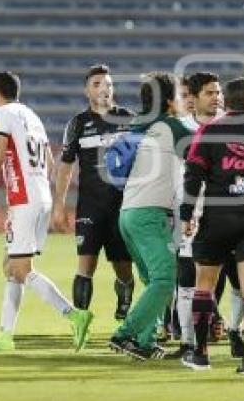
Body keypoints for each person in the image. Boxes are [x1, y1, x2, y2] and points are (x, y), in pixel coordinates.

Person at [0, 71, 92, 352]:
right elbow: (51, 161)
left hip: (24, 198)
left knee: (20, 268)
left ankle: (74, 315)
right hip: (40, 196)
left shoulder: (2, 113)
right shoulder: (33, 117)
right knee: (10, 267)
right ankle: (5, 336)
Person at [180, 77, 244, 374]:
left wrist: (187, 214)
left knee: (204, 286)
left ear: (226, 101)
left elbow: (193, 174)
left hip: (217, 218)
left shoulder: (208, 132)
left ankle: (200, 355)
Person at [109, 72, 191, 360]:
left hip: (128, 212)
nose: (182, 100)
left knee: (151, 280)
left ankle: (144, 342)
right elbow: (203, 152)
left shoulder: (137, 125)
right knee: (165, 280)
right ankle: (125, 334)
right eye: (180, 95)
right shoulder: (171, 125)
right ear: (169, 101)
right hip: (149, 214)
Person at [52, 64, 136, 322]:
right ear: (87, 90)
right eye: (97, 84)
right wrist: (59, 205)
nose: (104, 89)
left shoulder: (129, 120)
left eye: (109, 84)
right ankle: (81, 321)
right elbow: (66, 167)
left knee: (123, 268)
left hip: (123, 207)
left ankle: (124, 307)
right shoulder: (78, 124)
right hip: (90, 206)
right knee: (85, 264)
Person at [169, 71, 232, 361]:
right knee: (186, 277)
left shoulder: (231, 127)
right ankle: (188, 341)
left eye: (218, 92)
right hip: (191, 214)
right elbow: (174, 175)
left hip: (226, 213)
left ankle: (232, 332)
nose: (217, 97)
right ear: (192, 100)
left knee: (231, 279)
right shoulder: (180, 129)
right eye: (210, 92)